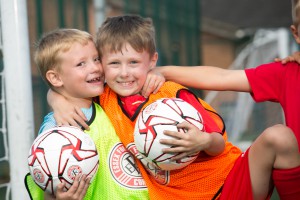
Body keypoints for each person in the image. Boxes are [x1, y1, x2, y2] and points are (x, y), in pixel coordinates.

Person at [47, 14, 300, 199]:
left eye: (134, 62)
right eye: (114, 63)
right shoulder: (104, 99)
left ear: (152, 60)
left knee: (279, 136)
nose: (124, 73)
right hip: (175, 195)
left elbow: (219, 144)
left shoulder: (171, 94)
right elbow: (68, 88)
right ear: (102, 64)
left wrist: (202, 141)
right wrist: (55, 98)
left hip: (228, 184)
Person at [24, 28, 150, 200]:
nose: (96, 68)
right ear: (55, 78)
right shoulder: (57, 131)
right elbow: (50, 184)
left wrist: (157, 73)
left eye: (96, 59)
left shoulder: (108, 97)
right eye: (81, 64)